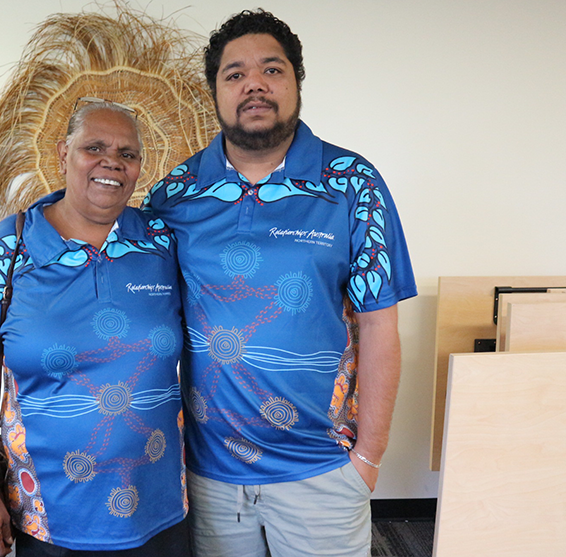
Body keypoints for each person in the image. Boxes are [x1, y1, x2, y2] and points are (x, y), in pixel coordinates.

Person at [143, 9, 417, 557]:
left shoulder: (351, 184)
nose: (254, 85)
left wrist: (368, 459)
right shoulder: (175, 194)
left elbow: (380, 327)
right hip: (209, 475)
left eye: (272, 70)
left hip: (322, 470)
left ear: (296, 82)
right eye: (235, 73)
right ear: (215, 92)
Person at [0, 101, 190, 557]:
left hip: (160, 505)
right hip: (48, 512)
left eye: (127, 154)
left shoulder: (161, 241)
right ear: (63, 153)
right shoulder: (12, 245)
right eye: (94, 147)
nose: (111, 161)